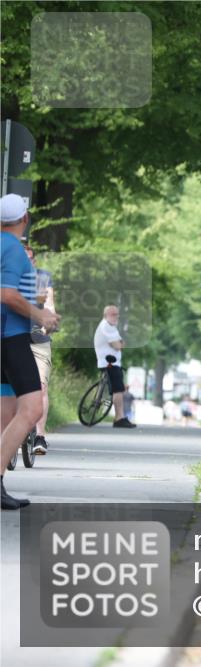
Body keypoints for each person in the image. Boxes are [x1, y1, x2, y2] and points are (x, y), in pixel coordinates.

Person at [1, 194, 60, 509]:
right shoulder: (12, 249)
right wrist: (41, 315)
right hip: (11, 336)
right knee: (33, 409)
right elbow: (7, 294)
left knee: (7, 413)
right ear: (24, 219)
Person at [25, 245, 55, 455]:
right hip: (11, 338)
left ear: (34, 261)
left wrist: (48, 320)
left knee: (41, 386)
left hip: (38, 338)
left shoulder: (43, 279)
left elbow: (50, 305)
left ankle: (40, 436)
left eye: (29, 259)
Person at [94, 305, 136, 428]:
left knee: (118, 389)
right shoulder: (106, 327)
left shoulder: (111, 327)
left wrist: (120, 343)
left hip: (112, 363)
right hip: (109, 363)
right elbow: (118, 345)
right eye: (112, 314)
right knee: (118, 390)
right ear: (105, 315)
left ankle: (119, 417)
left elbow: (121, 343)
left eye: (117, 314)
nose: (116, 316)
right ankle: (119, 418)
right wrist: (120, 344)